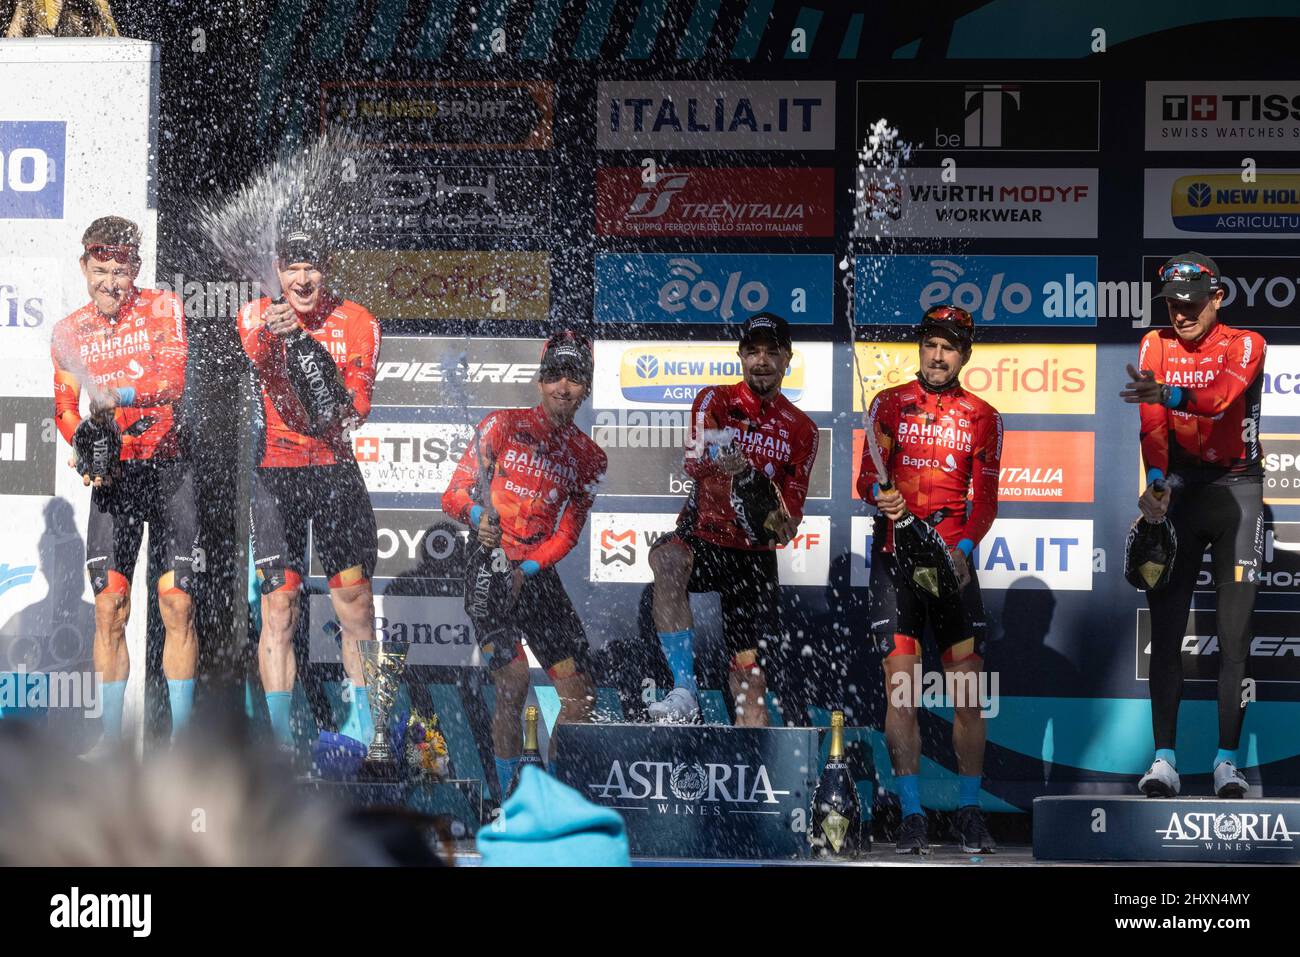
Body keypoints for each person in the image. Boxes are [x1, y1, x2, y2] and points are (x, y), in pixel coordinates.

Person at [856, 304, 1003, 855]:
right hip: (897, 561)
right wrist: (881, 495)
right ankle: (913, 813)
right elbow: (867, 477)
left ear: (965, 354)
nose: (938, 355)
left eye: (949, 346)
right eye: (930, 344)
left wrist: (964, 549)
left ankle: (969, 810)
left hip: (952, 563)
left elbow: (985, 502)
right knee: (902, 692)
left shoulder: (983, 416)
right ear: (920, 348)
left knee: (968, 694)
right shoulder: (889, 403)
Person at [1120, 253, 1265, 800]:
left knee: (1233, 639)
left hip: (1237, 491)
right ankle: (1164, 761)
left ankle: (1228, 761)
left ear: (1217, 298)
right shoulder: (1153, 345)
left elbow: (1223, 398)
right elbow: (1152, 423)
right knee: (1165, 634)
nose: (1180, 313)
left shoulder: (1246, 342)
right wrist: (1157, 480)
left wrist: (1172, 393)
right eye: (1172, 304)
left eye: (1191, 303)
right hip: (1181, 491)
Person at [50, 216, 198, 745]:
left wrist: (122, 394)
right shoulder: (68, 331)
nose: (110, 283)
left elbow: (174, 379)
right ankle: (111, 743)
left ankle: (183, 745)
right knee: (110, 607)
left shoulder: (161, 306)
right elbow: (65, 407)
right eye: (100, 271)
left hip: (169, 468)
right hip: (115, 476)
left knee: (176, 603)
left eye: (121, 271)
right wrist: (83, 441)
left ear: (136, 267)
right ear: (83, 267)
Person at [441, 331, 607, 798]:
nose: (562, 386)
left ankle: (552, 799)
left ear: (586, 388)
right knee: (512, 683)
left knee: (580, 695)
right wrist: (477, 518)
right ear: (539, 380)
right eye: (553, 375)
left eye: (573, 378)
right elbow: (452, 494)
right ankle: (508, 801)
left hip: (533, 572)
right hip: (487, 566)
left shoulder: (590, 458)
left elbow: (567, 534)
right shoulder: (501, 425)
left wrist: (527, 571)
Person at [238, 230, 381, 751]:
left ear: (327, 269)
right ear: (277, 270)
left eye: (311, 268)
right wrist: (278, 335)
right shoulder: (256, 314)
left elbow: (354, 409)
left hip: (334, 473)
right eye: (291, 269)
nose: (301, 280)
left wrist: (300, 340)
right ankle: (279, 749)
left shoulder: (358, 320)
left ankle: (372, 738)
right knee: (280, 609)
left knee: (356, 607)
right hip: (275, 477)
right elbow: (257, 352)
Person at [647, 312, 818, 726]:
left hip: (753, 558)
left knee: (751, 689)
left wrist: (776, 515)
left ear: (787, 359)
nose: (762, 360)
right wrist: (725, 466)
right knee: (667, 559)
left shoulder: (802, 428)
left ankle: (753, 782)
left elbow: (789, 519)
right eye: (753, 351)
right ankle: (685, 690)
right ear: (741, 356)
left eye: (771, 353)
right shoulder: (716, 400)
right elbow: (692, 462)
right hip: (704, 537)